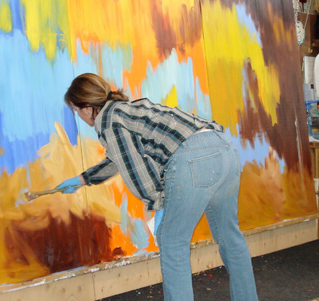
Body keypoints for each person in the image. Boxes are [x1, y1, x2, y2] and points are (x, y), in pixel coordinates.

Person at [57, 73, 258, 301]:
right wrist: (83, 179)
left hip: (194, 159)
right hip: (224, 149)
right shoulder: (124, 109)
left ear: (85, 107)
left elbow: (137, 172)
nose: (79, 117)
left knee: (172, 243)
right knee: (230, 237)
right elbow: (119, 157)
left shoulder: (107, 120)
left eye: (76, 111)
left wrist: (158, 202)